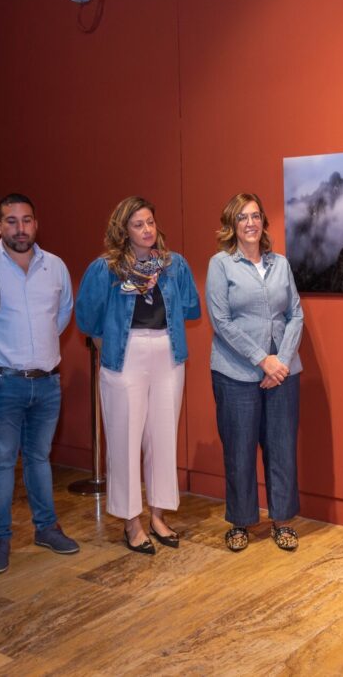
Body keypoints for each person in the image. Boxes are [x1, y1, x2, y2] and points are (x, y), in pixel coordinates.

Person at [76, 197, 200, 554]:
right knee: (124, 440)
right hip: (124, 355)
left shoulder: (175, 265)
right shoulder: (105, 268)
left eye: (150, 222)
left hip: (168, 352)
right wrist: (110, 347)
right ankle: (131, 522)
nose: (147, 230)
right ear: (123, 230)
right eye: (138, 225)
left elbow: (191, 306)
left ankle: (158, 516)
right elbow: (86, 319)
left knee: (163, 437)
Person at [0, 193, 78, 574]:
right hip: (1, 384)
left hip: (47, 382)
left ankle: (46, 528)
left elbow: (63, 314)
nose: (21, 228)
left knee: (39, 458)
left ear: (36, 224)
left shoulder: (55, 267)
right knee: (1, 461)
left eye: (27, 220)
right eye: (12, 221)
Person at [206, 193, 304, 552]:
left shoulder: (281, 264)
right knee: (239, 449)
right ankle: (240, 521)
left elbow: (295, 313)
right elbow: (221, 322)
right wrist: (263, 360)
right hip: (236, 374)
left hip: (283, 373)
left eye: (256, 216)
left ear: (263, 221)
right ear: (232, 224)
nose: (250, 223)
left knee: (281, 448)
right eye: (242, 217)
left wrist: (282, 361)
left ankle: (282, 520)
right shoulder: (221, 265)